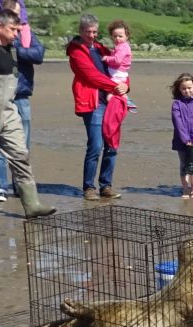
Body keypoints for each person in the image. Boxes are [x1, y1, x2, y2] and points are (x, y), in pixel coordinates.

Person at [0, 9, 55, 219]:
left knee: (20, 156)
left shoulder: (12, 50)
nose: (16, 34)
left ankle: (32, 204)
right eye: (13, 29)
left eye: (18, 29)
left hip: (8, 112)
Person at [0, 0, 45, 203]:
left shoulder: (26, 32)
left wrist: (16, 49)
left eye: (19, 14)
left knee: (22, 146)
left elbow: (39, 54)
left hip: (22, 94)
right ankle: (0, 188)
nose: (17, 19)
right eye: (12, 13)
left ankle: (21, 186)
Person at [66, 14, 128, 201]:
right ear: (81, 31)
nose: (92, 35)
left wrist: (126, 85)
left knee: (112, 145)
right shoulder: (77, 52)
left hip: (111, 101)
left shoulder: (101, 48)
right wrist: (114, 87)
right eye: (88, 31)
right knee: (95, 145)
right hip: (92, 103)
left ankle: (106, 185)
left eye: (94, 31)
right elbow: (91, 75)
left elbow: (119, 70)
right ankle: (89, 187)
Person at [170, 73, 193, 199]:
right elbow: (178, 123)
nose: (187, 90)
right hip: (182, 141)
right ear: (179, 89)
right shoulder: (176, 104)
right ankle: (185, 188)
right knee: (184, 164)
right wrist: (185, 139)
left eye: (189, 87)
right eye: (184, 88)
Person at [101, 19, 137, 111]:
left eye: (120, 36)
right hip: (119, 73)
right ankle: (121, 104)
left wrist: (106, 58)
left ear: (127, 36)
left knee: (110, 95)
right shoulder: (121, 47)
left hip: (117, 74)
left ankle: (127, 102)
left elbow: (117, 60)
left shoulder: (123, 47)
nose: (117, 38)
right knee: (111, 95)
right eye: (115, 36)